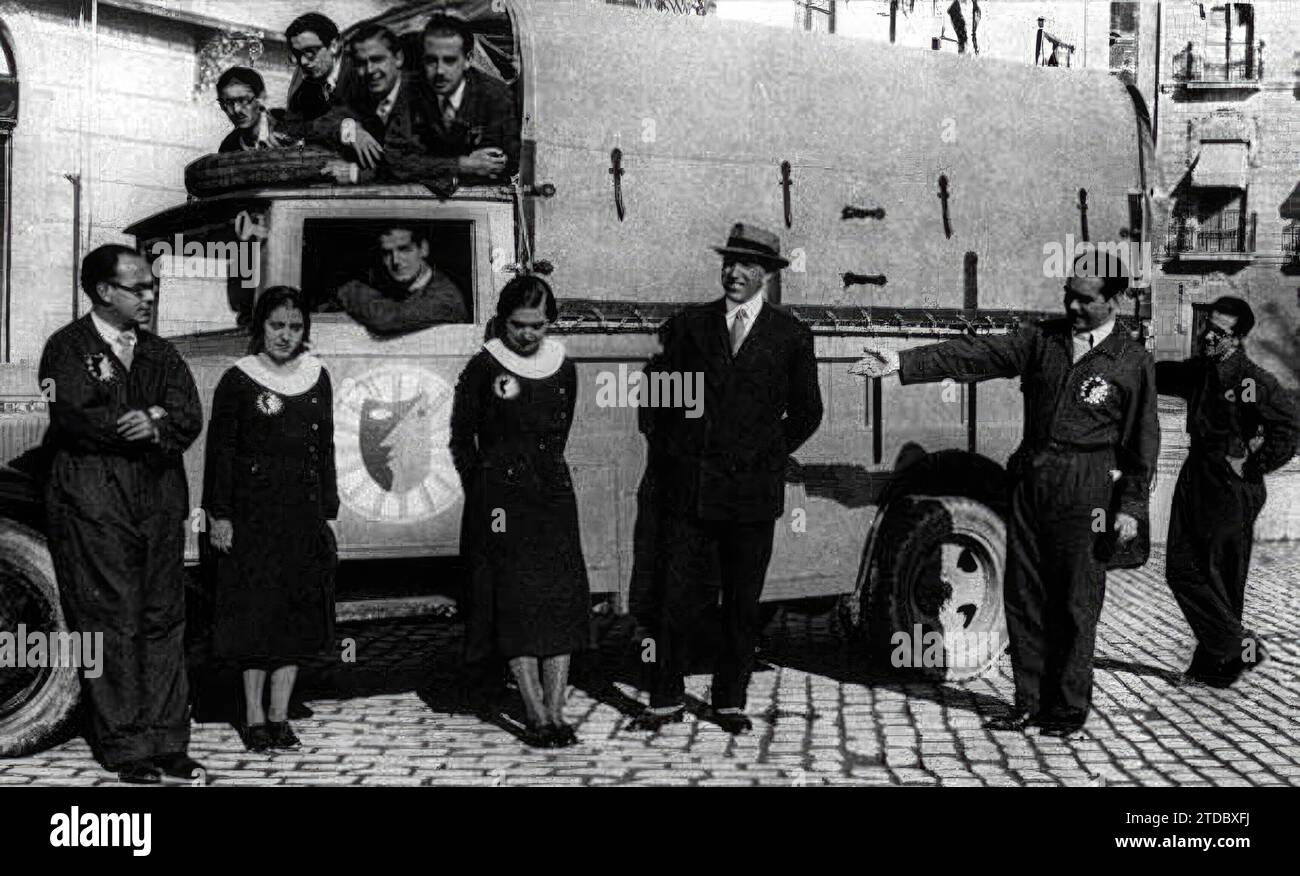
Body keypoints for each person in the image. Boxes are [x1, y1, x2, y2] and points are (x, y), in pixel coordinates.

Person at [853, 244, 1159, 738]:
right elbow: (978, 355)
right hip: (1031, 480)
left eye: (1085, 299)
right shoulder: (1043, 340)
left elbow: (1143, 440)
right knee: (1024, 596)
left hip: (1087, 489)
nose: (1073, 307)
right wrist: (903, 364)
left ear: (1114, 301)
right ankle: (1028, 702)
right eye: (1069, 296)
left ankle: (1066, 710)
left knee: (1076, 602)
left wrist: (1132, 506)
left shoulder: (1131, 360)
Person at [630, 223, 823, 735]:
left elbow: (807, 412)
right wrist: (678, 455)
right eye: (729, 263)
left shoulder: (791, 335)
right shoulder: (690, 326)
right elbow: (659, 400)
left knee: (741, 602)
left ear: (767, 275)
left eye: (748, 266)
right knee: (675, 599)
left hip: (751, 495)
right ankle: (666, 698)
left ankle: (730, 700)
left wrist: (766, 454)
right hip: (690, 489)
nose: (734, 273)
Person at [39, 245, 206, 784]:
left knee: (162, 617)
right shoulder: (67, 348)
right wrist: (137, 420)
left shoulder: (161, 352)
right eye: (139, 287)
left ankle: (167, 740)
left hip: (157, 500)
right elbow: (74, 413)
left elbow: (188, 412)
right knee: (111, 621)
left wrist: (156, 420)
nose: (150, 295)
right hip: (95, 500)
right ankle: (126, 745)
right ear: (104, 291)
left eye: (151, 286)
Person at [450, 276, 590, 748]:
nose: (528, 335)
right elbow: (460, 437)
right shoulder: (483, 367)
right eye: (518, 325)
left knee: (559, 604)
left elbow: (562, 429)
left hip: (551, 495)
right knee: (515, 605)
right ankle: (534, 715)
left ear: (550, 322)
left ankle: (557, 711)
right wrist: (484, 486)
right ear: (502, 320)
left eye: (537, 325)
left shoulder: (563, 367)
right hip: (501, 504)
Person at [202, 286, 339, 752]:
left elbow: (326, 450)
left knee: (294, 619)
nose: (285, 336)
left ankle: (281, 716)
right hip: (253, 518)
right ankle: (254, 717)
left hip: (301, 516)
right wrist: (220, 516)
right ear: (260, 327)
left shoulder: (317, 377)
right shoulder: (239, 379)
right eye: (277, 325)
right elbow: (221, 455)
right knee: (256, 620)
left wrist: (328, 511)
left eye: (295, 327)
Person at [1155, 297, 1298, 687]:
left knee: (1220, 577)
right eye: (1207, 326)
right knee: (1182, 570)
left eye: (1218, 332)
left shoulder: (1250, 380)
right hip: (1197, 474)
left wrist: (1252, 465)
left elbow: (1288, 428)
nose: (1207, 335)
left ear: (1237, 339)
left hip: (1232, 486)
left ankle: (1219, 663)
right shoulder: (1199, 371)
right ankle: (1232, 650)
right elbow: (1157, 374)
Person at [401, 13, 519, 182]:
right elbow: (398, 160)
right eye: (431, 61)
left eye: (449, 61)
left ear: (468, 60)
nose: (440, 71)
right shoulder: (408, 91)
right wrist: (463, 164)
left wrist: (431, 163)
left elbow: (503, 162)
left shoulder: (495, 95)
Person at [334, 223, 469, 335]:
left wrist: (349, 289)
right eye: (387, 253)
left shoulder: (446, 297)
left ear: (423, 249)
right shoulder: (390, 284)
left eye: (405, 249)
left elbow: (388, 317)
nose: (396, 261)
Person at [216, 66, 294, 154]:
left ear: (261, 98)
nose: (236, 110)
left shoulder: (290, 123)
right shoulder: (228, 147)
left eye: (243, 100)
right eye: (229, 103)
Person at [285, 12, 346, 122]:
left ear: (334, 46)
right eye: (298, 54)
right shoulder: (303, 90)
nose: (303, 61)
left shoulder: (363, 77)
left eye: (310, 52)